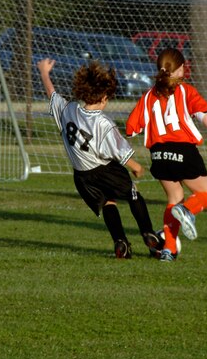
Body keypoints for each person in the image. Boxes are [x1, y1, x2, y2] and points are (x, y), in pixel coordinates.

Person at [36, 57, 162, 259]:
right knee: (133, 194)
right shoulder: (103, 123)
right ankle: (148, 234)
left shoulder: (68, 110)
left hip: (82, 176)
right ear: (104, 97)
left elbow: (52, 95)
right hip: (105, 170)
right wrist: (136, 166)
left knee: (107, 203)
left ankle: (120, 242)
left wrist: (44, 73)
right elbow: (118, 151)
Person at [126, 48, 207, 262]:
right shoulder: (185, 91)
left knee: (173, 198)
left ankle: (168, 250)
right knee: (206, 196)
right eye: (183, 66)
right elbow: (202, 114)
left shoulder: (149, 96)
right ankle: (187, 211)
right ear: (177, 70)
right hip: (182, 151)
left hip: (158, 155)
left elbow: (132, 128)